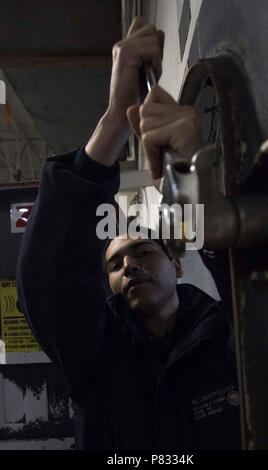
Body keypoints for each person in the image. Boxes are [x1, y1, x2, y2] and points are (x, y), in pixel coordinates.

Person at [16, 17, 241, 450]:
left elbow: (260, 287)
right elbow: (49, 277)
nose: (128, 266)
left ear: (176, 262)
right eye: (114, 265)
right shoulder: (93, 355)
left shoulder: (225, 333)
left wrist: (197, 189)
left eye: (141, 251)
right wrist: (116, 121)